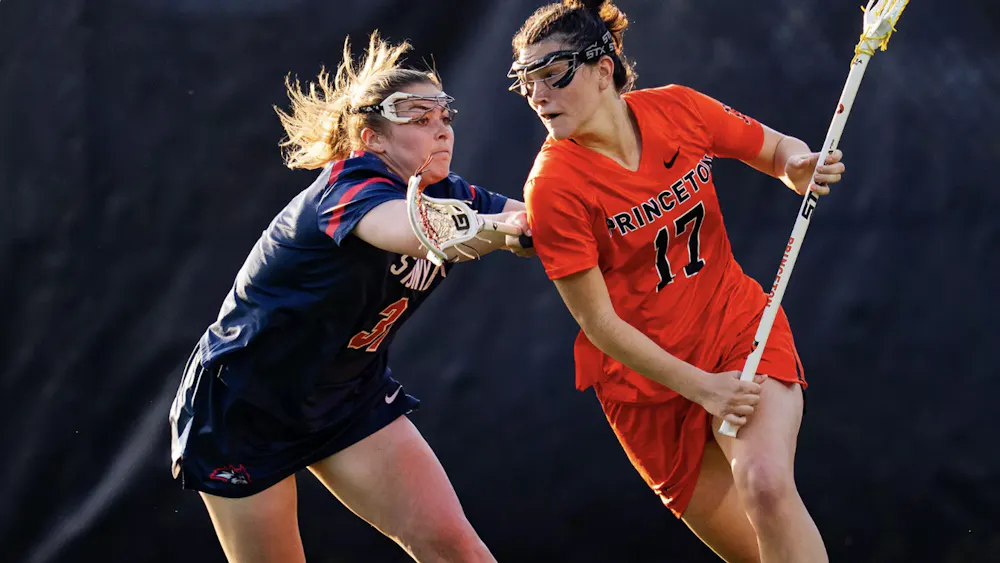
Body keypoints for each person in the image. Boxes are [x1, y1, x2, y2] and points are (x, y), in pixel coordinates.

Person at [169, 31, 530, 563]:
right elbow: (416, 231)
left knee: (460, 553)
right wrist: (504, 229)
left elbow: (536, 219)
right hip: (245, 408)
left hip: (345, 397)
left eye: (445, 116)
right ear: (372, 136)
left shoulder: (450, 193)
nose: (442, 130)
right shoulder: (351, 183)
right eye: (419, 117)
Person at [508, 1, 846, 561]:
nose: (538, 95)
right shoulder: (553, 186)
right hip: (646, 388)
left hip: (734, 331)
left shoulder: (679, 110)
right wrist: (701, 387)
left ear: (602, 68)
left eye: (552, 74)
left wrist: (795, 167)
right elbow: (600, 325)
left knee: (766, 486)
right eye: (527, 83)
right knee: (759, 555)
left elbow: (777, 150)